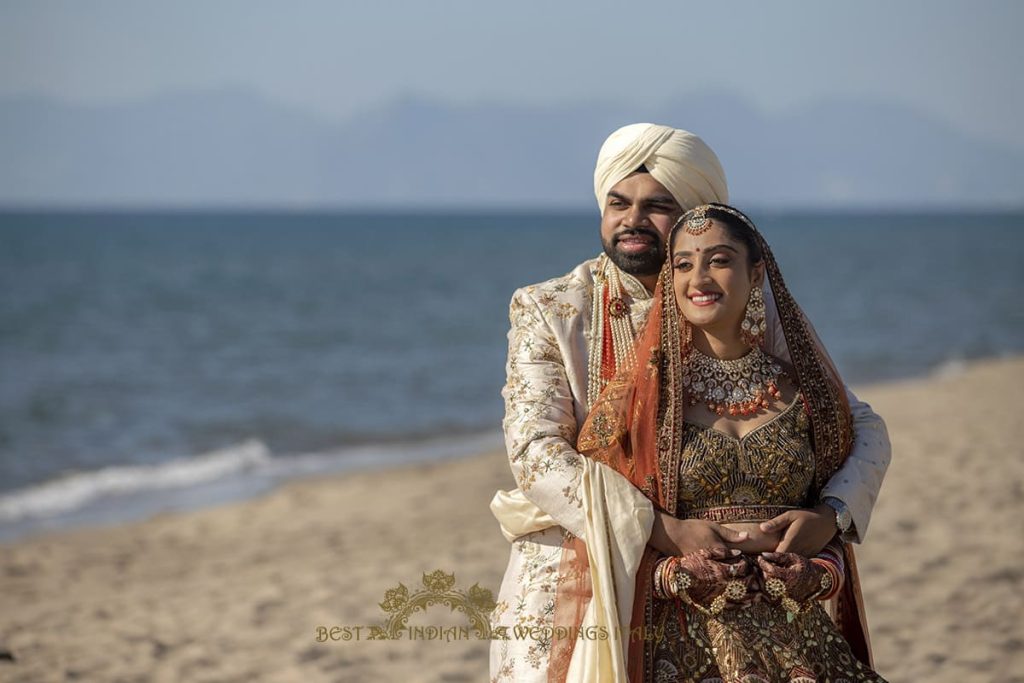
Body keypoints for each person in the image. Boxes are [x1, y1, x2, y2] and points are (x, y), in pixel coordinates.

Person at [489, 124, 891, 681]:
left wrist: (832, 515)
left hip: (727, 584)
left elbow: (857, 423)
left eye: (657, 206)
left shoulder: (743, 299)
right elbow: (535, 452)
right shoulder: (554, 307)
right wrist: (660, 528)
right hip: (574, 559)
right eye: (618, 203)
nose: (631, 220)